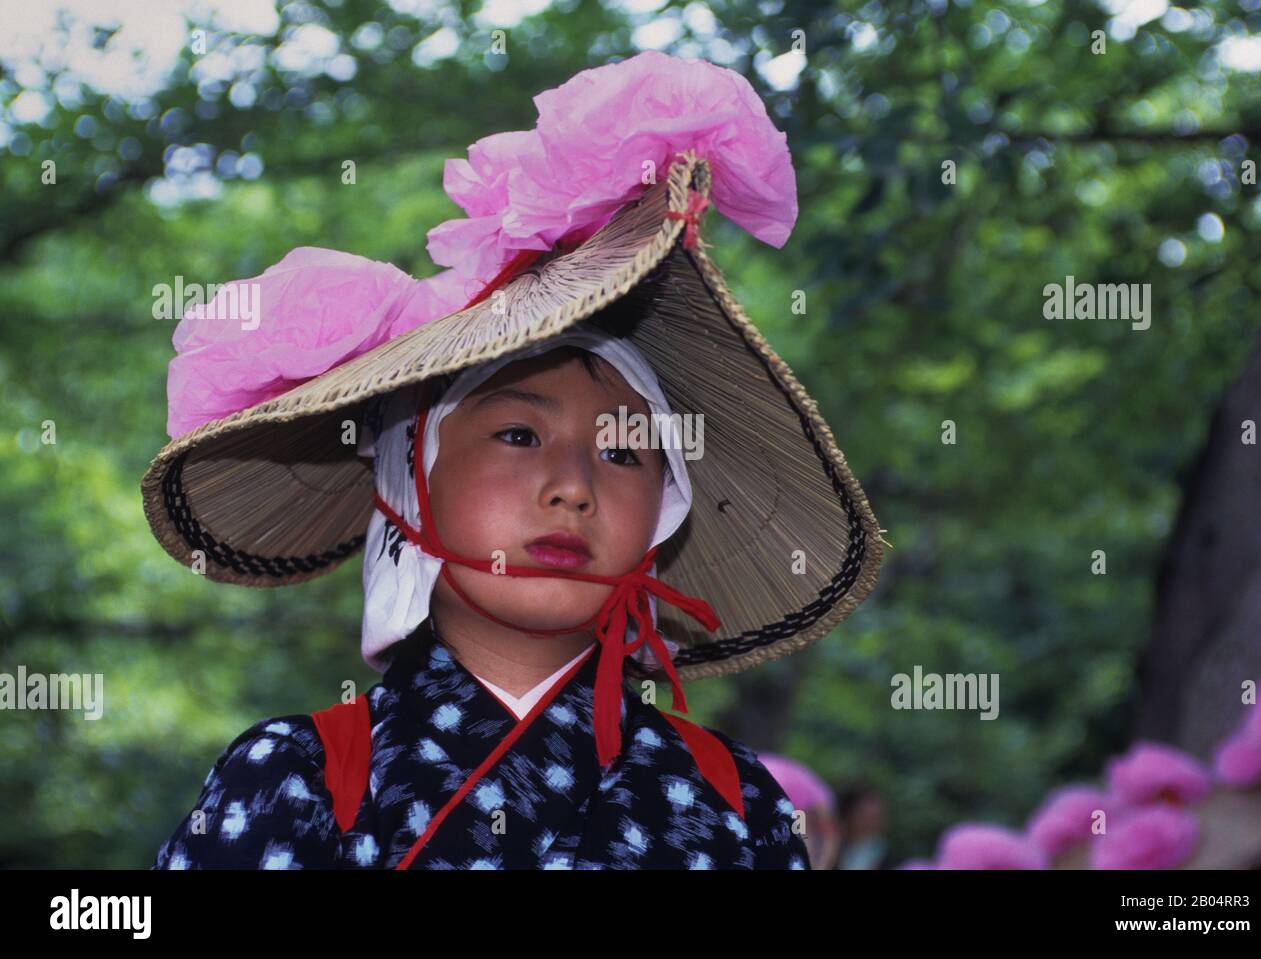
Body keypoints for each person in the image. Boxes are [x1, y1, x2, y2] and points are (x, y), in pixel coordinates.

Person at [143, 50, 885, 870]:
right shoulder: (297, 775)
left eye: (624, 451)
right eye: (519, 435)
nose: (573, 488)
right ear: (409, 482)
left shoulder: (736, 801)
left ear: (666, 508)